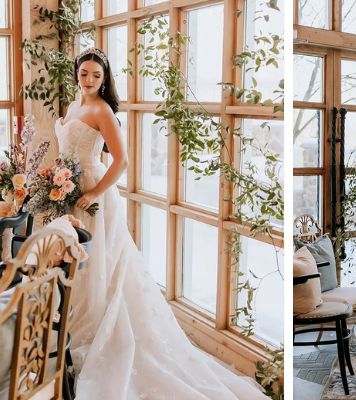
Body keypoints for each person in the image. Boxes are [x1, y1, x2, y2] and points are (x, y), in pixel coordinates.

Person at [55, 47, 268, 399]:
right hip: (69, 189)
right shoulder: (74, 106)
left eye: (96, 75)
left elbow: (121, 161)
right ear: (76, 75)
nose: (89, 80)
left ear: (105, 79)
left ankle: (95, 337)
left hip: (92, 193)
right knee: (74, 260)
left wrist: (93, 194)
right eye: (84, 74)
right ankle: (70, 331)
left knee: (98, 267)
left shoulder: (102, 110)